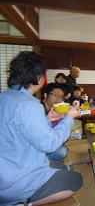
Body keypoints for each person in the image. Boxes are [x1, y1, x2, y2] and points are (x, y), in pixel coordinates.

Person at [0, 51, 83, 205]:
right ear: (38, 77)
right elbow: (49, 144)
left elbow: (21, 129)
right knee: (75, 180)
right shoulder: (29, 104)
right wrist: (69, 119)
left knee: (61, 168)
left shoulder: (4, 96)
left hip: (7, 168)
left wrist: (47, 119)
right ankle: (24, 202)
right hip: (14, 181)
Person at [41, 83, 69, 161]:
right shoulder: (38, 109)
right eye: (54, 94)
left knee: (66, 132)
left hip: (46, 142)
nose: (58, 99)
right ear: (45, 95)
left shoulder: (54, 109)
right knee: (62, 151)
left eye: (61, 96)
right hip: (37, 148)